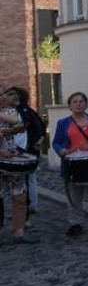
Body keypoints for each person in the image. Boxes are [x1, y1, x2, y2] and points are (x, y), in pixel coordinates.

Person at [52, 91, 88, 236]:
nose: (78, 104)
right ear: (70, 106)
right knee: (74, 194)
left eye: (81, 101)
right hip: (72, 163)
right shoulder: (63, 123)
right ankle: (76, 223)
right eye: (75, 102)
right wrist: (61, 150)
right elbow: (56, 142)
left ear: (86, 104)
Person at [0, 86, 39, 244]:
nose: (5, 96)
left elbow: (18, 125)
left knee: (20, 196)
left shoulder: (11, 111)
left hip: (12, 159)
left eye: (5, 93)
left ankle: (19, 232)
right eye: (2, 94)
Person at [9, 87, 44, 215]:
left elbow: (39, 130)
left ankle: (30, 207)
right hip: (17, 152)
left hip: (26, 152)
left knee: (28, 180)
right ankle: (22, 209)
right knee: (20, 182)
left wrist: (35, 145)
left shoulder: (26, 112)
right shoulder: (12, 112)